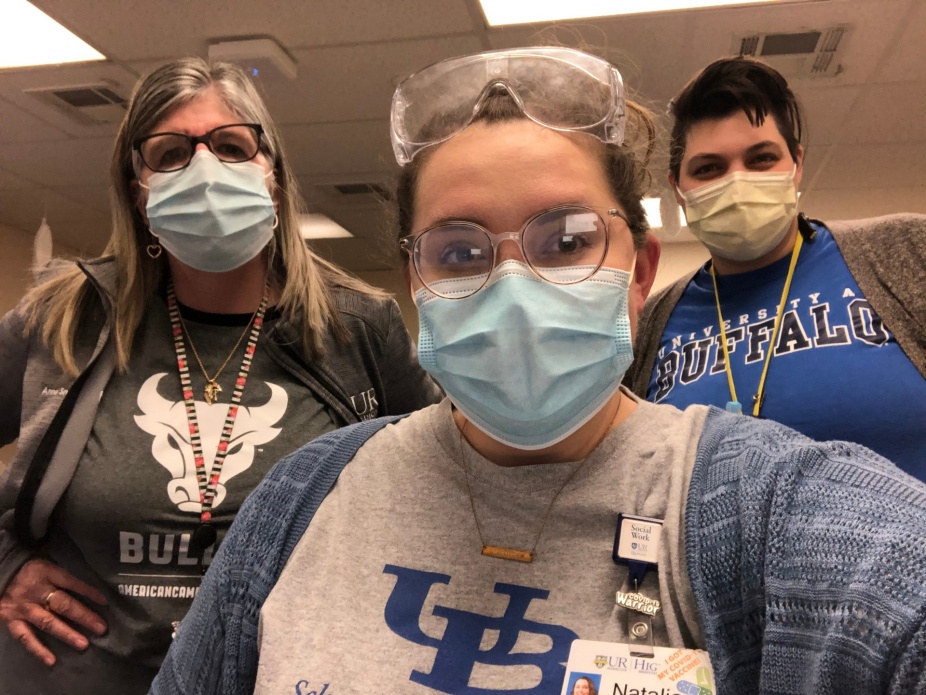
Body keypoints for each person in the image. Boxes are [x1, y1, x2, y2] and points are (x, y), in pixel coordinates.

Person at [151, 47, 926, 695]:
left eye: (566, 242)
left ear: (639, 270)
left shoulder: (756, 507)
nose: (514, 290)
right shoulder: (304, 496)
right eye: (460, 252)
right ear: (415, 283)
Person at [0, 57, 441, 694]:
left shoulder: (358, 328)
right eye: (171, 154)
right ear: (137, 191)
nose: (205, 169)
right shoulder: (64, 318)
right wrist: (6, 565)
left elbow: (443, 479)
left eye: (232, 147)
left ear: (273, 179)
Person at [623, 56, 926, 480]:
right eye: (709, 168)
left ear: (796, 164)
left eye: (761, 159)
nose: (737, 181)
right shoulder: (649, 323)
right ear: (678, 188)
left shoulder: (904, 251)